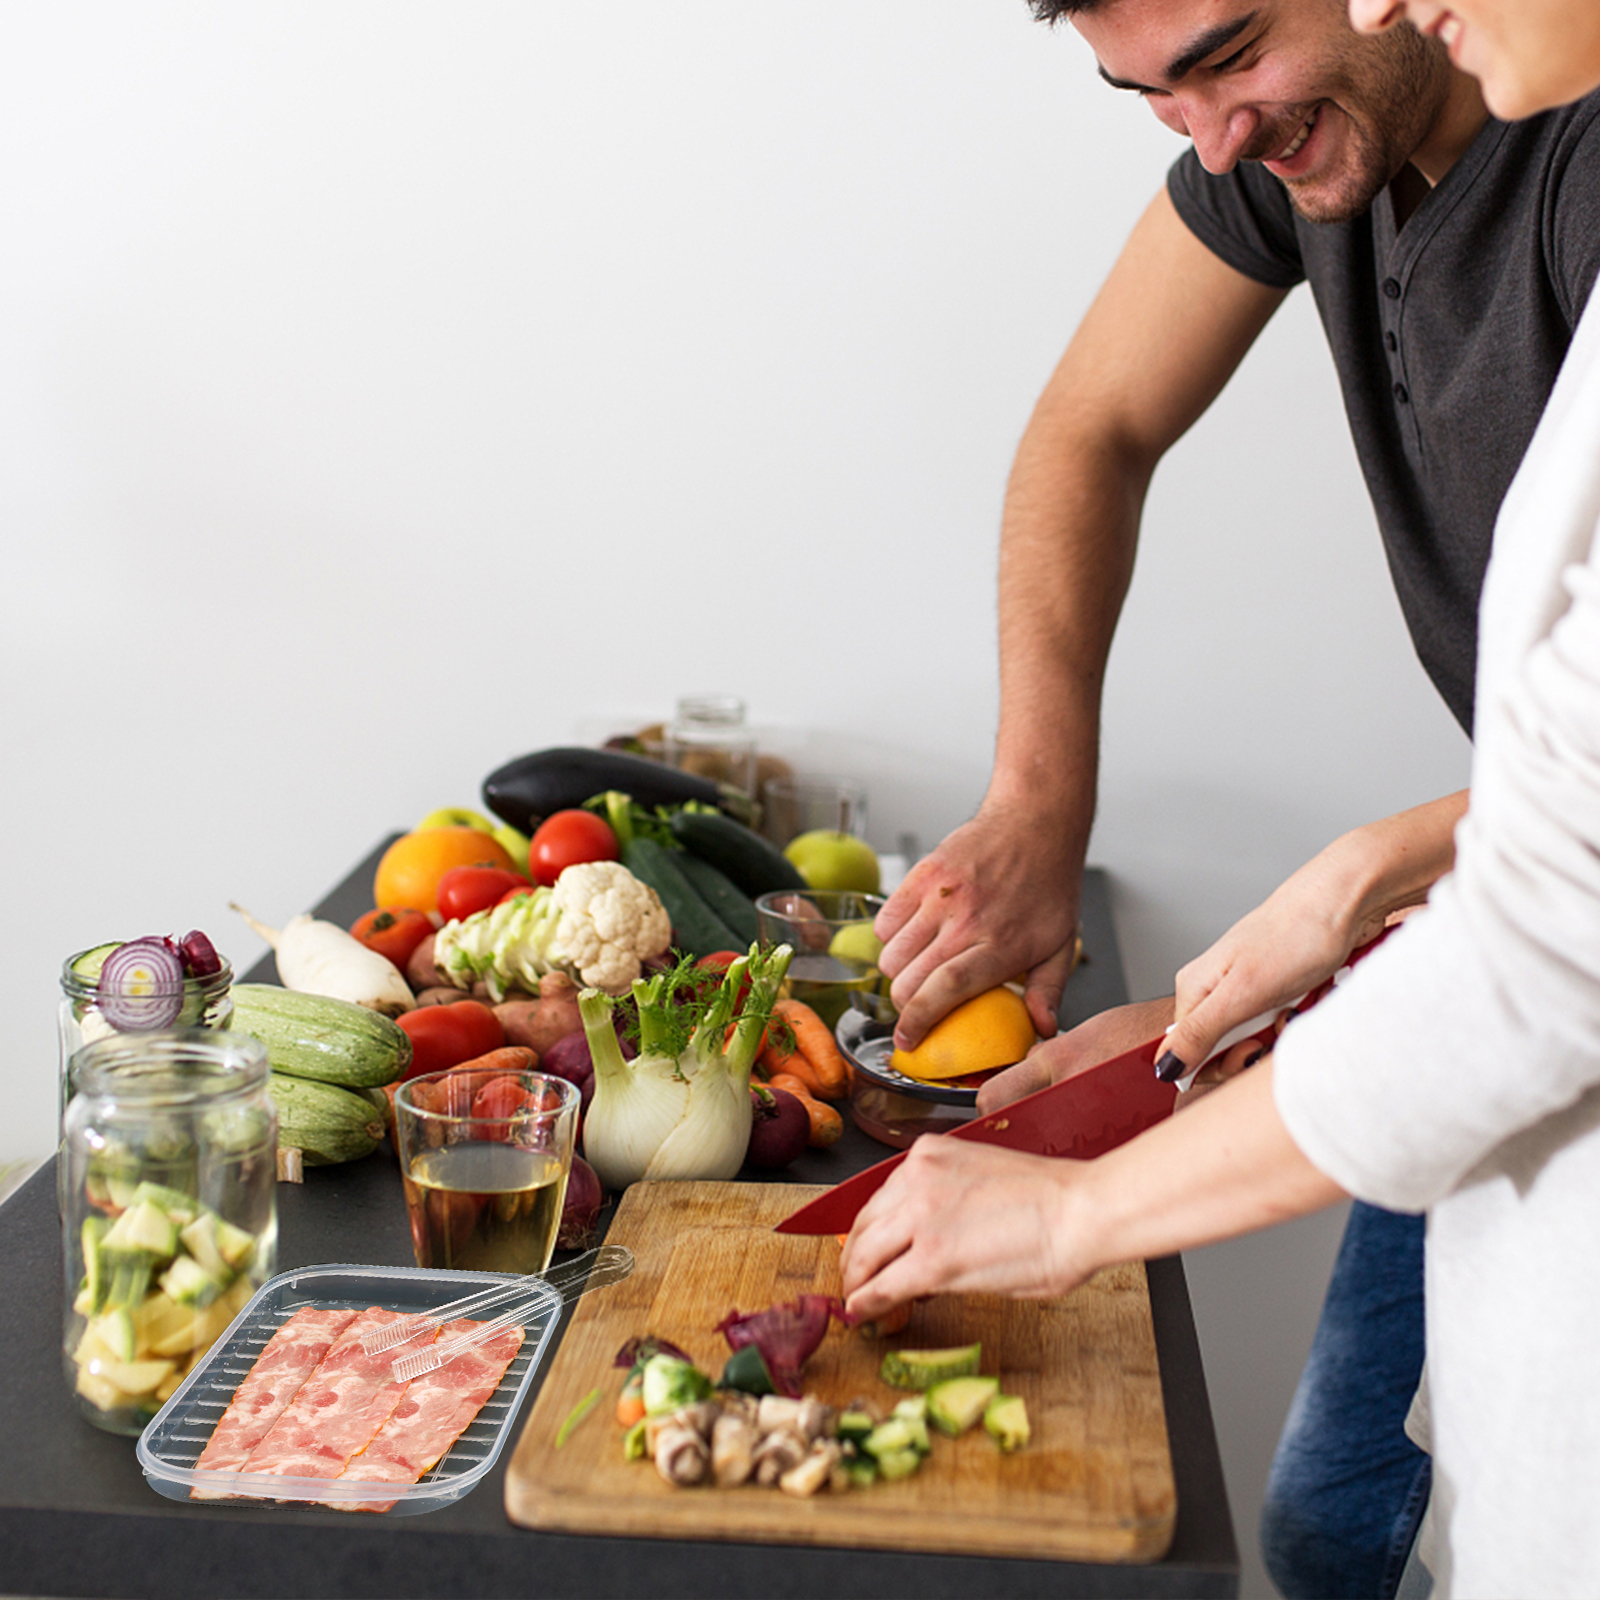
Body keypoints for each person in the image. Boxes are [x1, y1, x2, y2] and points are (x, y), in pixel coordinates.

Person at [844, 2, 1600, 1590]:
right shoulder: (1299, 132)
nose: (1215, 135)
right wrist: (1037, 807)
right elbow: (1092, 424)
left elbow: (1564, 877)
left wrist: (1085, 1215)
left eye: (1233, 52)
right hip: (1506, 912)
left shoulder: (1572, 149)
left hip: (1532, 932)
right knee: (1337, 1517)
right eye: (1151, 94)